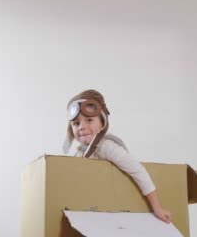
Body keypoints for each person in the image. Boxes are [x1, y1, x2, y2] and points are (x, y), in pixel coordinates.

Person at [62, 89, 172, 224]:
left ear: (103, 122)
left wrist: (157, 208)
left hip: (112, 212)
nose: (82, 127)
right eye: (76, 123)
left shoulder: (106, 147)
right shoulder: (79, 154)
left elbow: (138, 171)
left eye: (89, 120)